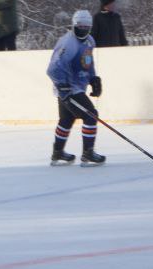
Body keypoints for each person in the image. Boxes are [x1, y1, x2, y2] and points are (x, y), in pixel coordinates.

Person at [47, 10, 105, 166]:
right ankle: (88, 153)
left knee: (66, 119)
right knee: (91, 115)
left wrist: (93, 79)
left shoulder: (90, 41)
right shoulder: (68, 43)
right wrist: (63, 87)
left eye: (87, 27)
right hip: (69, 88)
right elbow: (53, 69)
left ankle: (57, 152)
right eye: (80, 26)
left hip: (77, 86)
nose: (83, 29)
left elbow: (88, 62)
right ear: (74, 25)